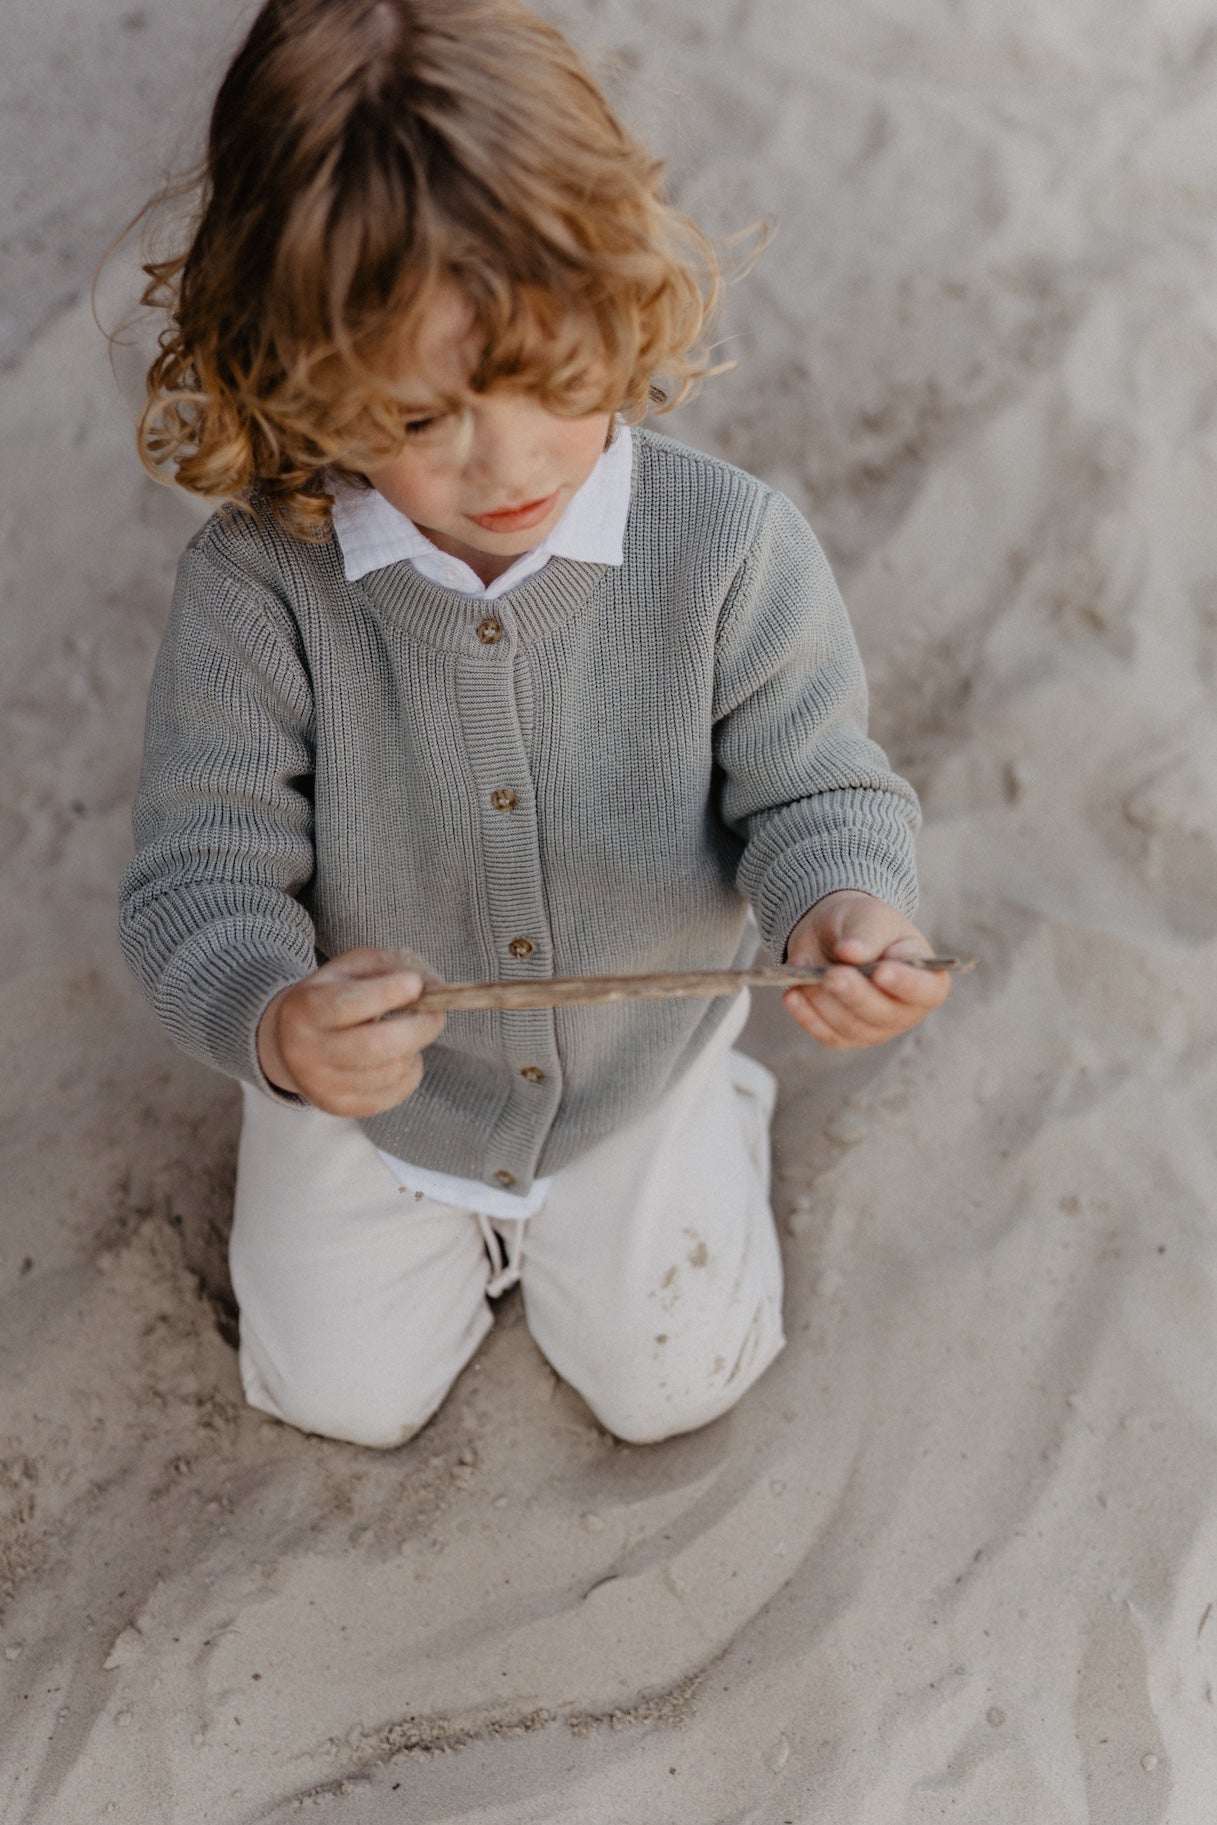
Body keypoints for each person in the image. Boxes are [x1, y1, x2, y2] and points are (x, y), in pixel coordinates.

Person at [118, 0, 950, 1451]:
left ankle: (716, 1111)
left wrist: (846, 903)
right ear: (301, 371)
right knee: (342, 1396)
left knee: (673, 1381)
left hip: (636, 1067)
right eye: (422, 417)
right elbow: (200, 877)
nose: (504, 460)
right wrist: (280, 1026)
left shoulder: (729, 547)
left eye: (548, 378)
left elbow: (816, 788)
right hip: (377, 1095)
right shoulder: (262, 586)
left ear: (618, 292)